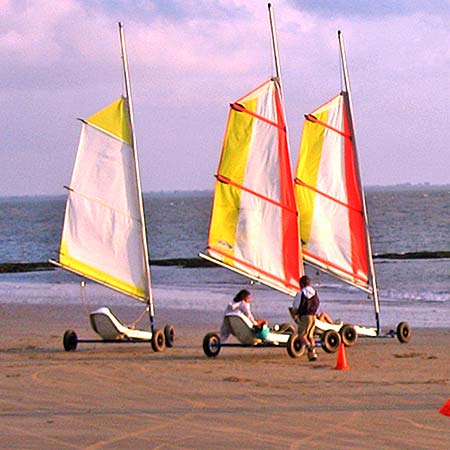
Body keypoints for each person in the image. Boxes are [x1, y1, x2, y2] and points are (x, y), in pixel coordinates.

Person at [291, 275, 320, 361]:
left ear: (302, 284)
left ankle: (308, 347)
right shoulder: (314, 292)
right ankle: (313, 354)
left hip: (305, 316)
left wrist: (295, 313)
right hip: (313, 316)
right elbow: (317, 302)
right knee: (310, 336)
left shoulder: (301, 293)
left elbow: (295, 305)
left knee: (301, 335)